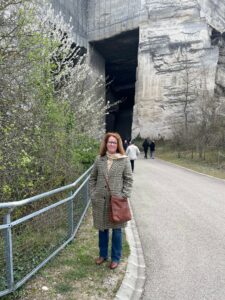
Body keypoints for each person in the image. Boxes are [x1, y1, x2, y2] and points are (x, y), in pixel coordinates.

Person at [89, 132, 133, 270]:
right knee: (102, 230)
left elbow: (128, 179)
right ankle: (103, 255)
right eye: (109, 142)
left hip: (116, 202)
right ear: (106, 144)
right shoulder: (99, 159)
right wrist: (93, 193)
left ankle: (115, 258)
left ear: (118, 144)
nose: (112, 144)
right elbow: (92, 178)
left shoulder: (124, 160)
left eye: (114, 142)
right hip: (100, 201)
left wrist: (124, 195)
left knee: (117, 231)